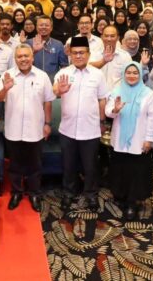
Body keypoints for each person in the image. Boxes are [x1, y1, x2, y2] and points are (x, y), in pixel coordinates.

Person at [0, 44, 55, 212]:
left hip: (35, 129)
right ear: (15, 59)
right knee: (15, 165)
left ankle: (34, 193)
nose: (23, 59)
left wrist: (48, 124)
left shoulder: (42, 76)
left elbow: (48, 101)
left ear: (32, 57)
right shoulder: (7, 75)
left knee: (35, 165)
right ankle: (16, 192)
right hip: (13, 129)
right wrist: (5, 89)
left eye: (26, 56)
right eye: (19, 56)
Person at [53, 36, 108, 211]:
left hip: (90, 129)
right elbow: (54, 91)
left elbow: (102, 99)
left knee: (90, 166)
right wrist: (59, 90)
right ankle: (69, 193)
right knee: (68, 165)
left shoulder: (98, 74)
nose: (78, 56)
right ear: (69, 54)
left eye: (82, 53)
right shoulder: (63, 73)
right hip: (67, 129)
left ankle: (91, 194)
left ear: (88, 54)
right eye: (75, 53)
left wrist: (102, 121)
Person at [105, 62, 153, 220]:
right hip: (119, 140)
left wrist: (149, 139)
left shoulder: (149, 94)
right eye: (128, 72)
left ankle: (132, 203)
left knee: (136, 171)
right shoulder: (116, 91)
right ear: (124, 74)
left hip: (139, 140)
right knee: (120, 169)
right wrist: (115, 109)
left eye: (135, 73)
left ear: (140, 75)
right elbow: (108, 112)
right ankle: (121, 196)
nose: (131, 75)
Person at [26, 15, 69, 81]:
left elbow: (64, 66)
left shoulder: (58, 44)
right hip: (32, 81)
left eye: (46, 25)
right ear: (36, 27)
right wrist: (34, 51)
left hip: (53, 82)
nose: (44, 27)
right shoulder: (28, 43)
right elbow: (24, 64)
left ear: (51, 28)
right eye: (41, 25)